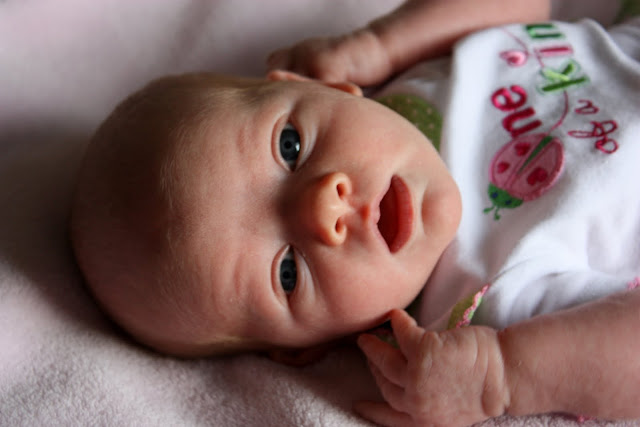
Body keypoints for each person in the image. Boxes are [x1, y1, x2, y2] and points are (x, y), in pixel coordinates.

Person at [69, 0, 640, 424]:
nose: (326, 207)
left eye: (289, 146)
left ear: (324, 89)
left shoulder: (404, 80)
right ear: (307, 346)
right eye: (286, 272)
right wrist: (503, 377)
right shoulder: (483, 304)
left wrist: (381, 43)